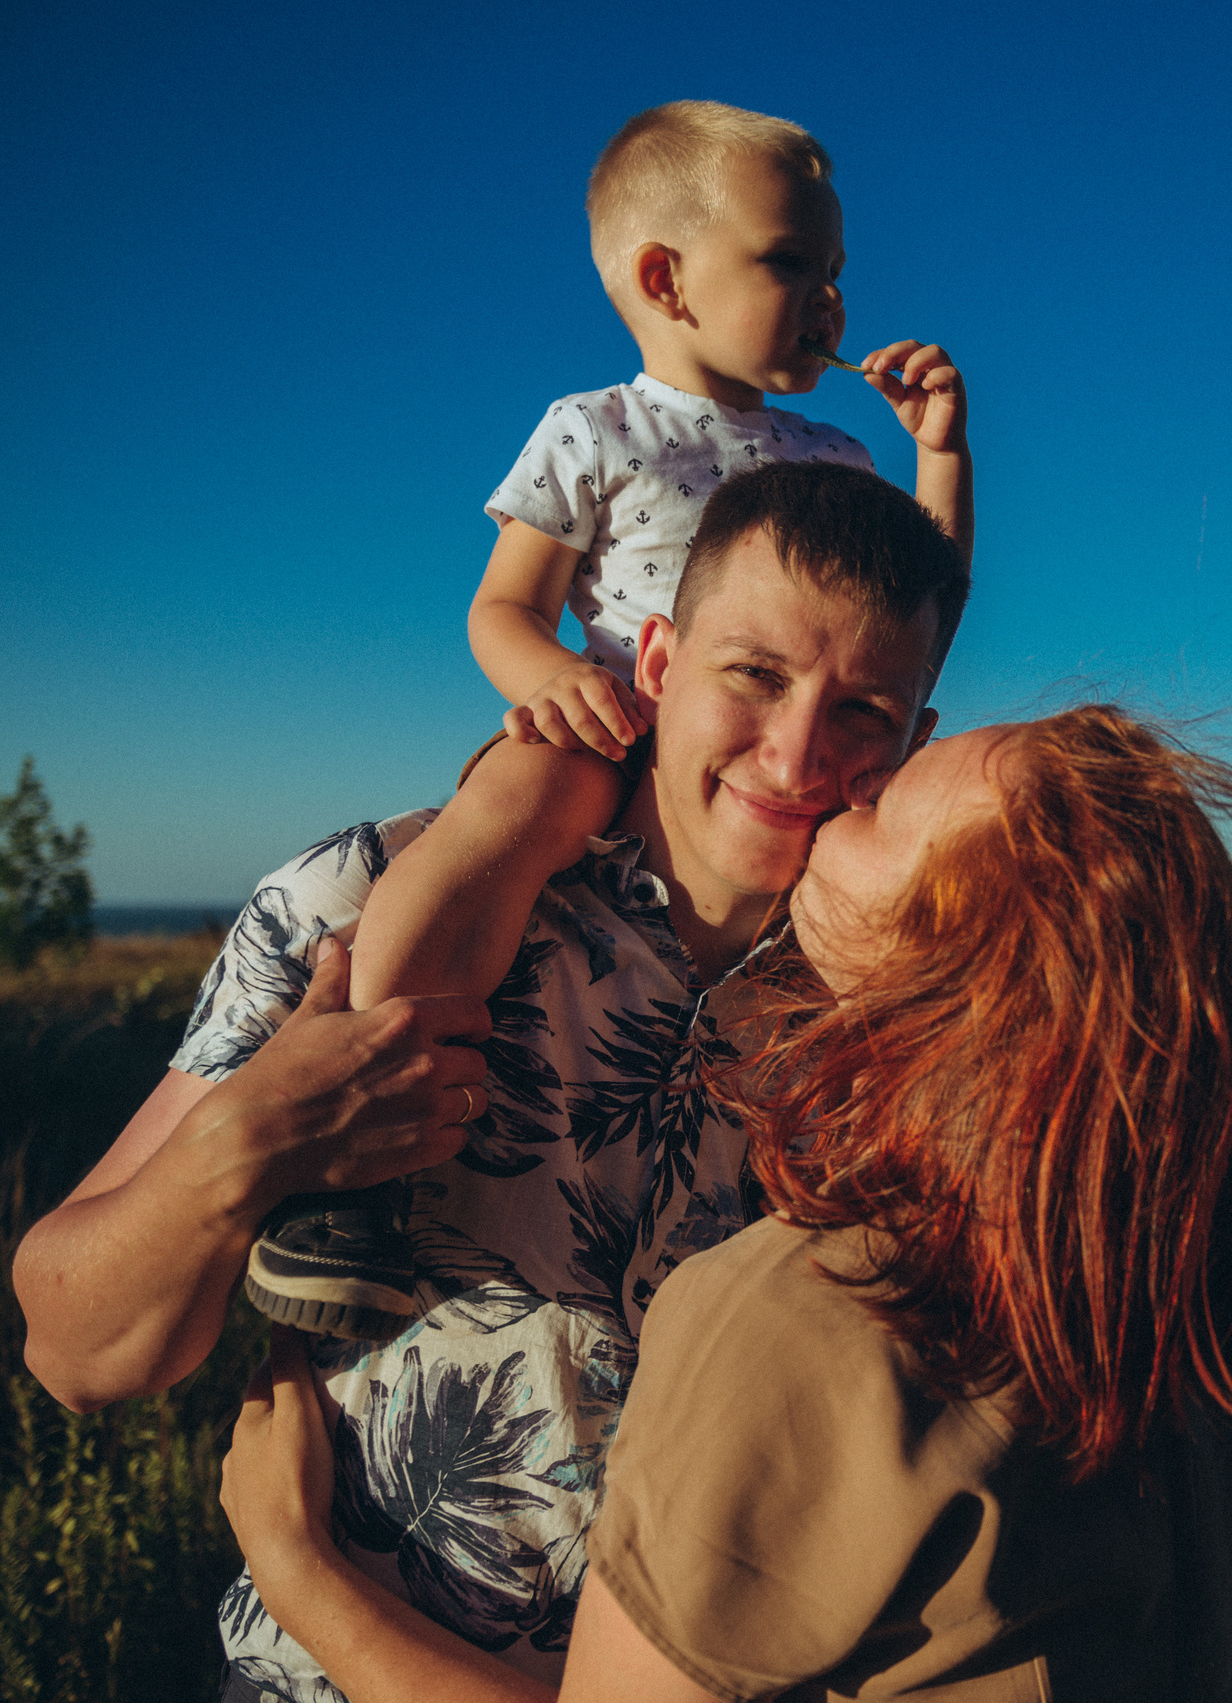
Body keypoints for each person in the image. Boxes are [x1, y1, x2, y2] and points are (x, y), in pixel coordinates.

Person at [12, 461, 970, 1702]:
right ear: (662, 664)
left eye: (862, 710)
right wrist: (240, 1145)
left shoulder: (898, 1032)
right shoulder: (368, 897)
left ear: (914, 741)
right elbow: (76, 1353)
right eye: (757, 674)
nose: (794, 751)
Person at [221, 707, 1232, 1703]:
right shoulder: (1218, 1277)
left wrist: (297, 1567)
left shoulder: (815, 1312)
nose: (829, 793)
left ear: (950, 955)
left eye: (878, 805)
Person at [239, 96, 977, 1339]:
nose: (834, 301)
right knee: (505, 810)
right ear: (663, 278)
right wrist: (548, 684)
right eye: (794, 263)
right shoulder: (594, 430)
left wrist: (942, 457)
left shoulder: (833, 458)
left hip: (755, 759)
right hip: (609, 725)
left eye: (838, 272)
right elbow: (498, 607)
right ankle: (358, 1167)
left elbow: (920, 612)